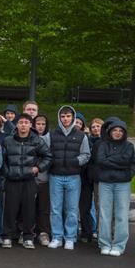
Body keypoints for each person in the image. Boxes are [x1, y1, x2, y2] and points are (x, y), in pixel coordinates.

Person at [0, 114, 52, 249]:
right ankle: (7, 236)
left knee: (29, 210)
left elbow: (48, 156)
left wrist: (38, 168)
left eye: (26, 122)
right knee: (10, 209)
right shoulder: (8, 140)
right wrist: (7, 172)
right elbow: (2, 160)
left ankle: (28, 237)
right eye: (21, 122)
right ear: (17, 125)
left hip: (29, 180)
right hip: (12, 180)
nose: (23, 125)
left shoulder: (37, 140)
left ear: (30, 125)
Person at [45, 105, 90, 250]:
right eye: (63, 116)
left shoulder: (81, 136)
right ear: (59, 118)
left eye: (68, 116)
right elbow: (46, 153)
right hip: (55, 176)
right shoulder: (51, 134)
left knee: (72, 209)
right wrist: (52, 163)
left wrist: (75, 161)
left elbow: (86, 155)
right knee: (55, 209)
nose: (65, 119)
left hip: (73, 177)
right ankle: (57, 237)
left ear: (73, 118)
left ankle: (70, 238)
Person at [95, 119, 135, 257]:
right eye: (115, 130)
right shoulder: (103, 145)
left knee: (121, 215)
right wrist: (121, 163)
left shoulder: (129, 146)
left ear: (124, 133)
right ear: (110, 132)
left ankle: (119, 245)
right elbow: (100, 161)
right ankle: (104, 243)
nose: (118, 133)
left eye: (121, 131)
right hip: (105, 183)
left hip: (123, 184)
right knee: (104, 214)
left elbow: (133, 164)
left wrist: (127, 174)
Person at [79, 115, 103, 244]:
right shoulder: (86, 140)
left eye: (98, 126)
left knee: (100, 207)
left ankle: (100, 232)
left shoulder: (105, 142)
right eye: (93, 126)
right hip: (86, 178)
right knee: (85, 207)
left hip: (99, 178)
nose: (95, 128)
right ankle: (86, 231)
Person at [33, 114, 52, 246]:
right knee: (29, 208)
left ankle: (43, 233)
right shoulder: (30, 138)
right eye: (38, 124)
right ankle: (29, 232)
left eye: (43, 124)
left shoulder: (50, 139)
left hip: (45, 179)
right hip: (30, 178)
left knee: (44, 208)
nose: (40, 126)